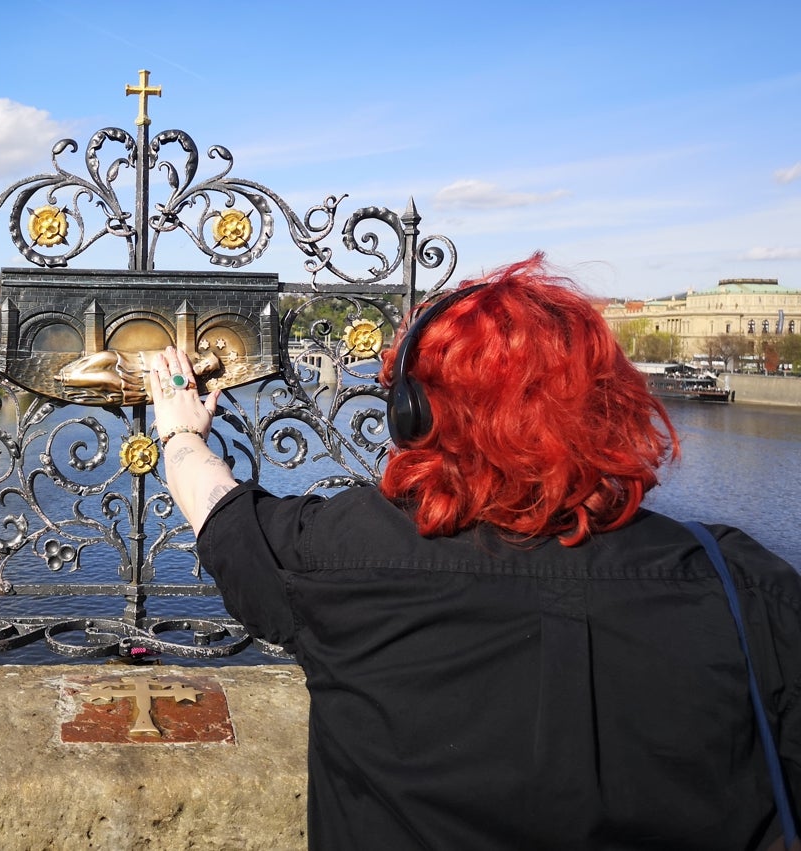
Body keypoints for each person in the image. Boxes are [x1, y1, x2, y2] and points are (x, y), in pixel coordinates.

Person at [146, 253, 801, 850]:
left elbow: (221, 511)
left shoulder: (345, 557)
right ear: (611, 403)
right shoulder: (744, 585)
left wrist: (179, 430)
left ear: (412, 414)